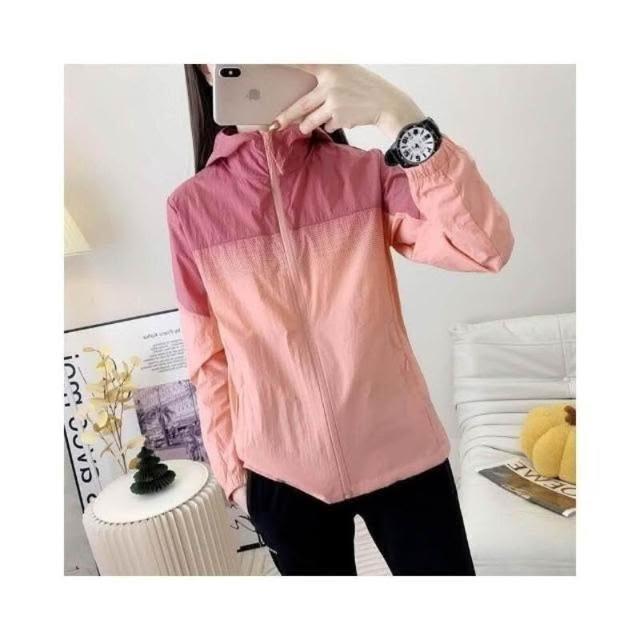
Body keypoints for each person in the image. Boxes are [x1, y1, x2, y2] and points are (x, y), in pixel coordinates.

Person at [167, 64, 514, 575]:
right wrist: (235, 477)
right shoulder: (191, 209)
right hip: (282, 478)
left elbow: (484, 247)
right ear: (202, 67)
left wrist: (400, 114)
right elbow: (208, 355)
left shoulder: (365, 175)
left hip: (403, 453)